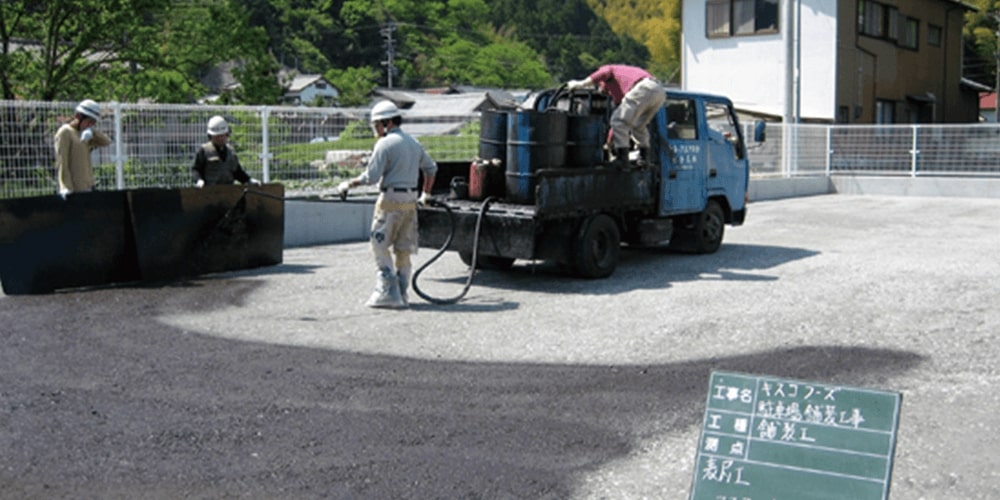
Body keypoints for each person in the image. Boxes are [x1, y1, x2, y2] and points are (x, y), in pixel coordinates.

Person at [335, 100, 438, 309]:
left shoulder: (385, 144)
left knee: (379, 244)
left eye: (378, 124)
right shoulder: (413, 142)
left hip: (390, 201)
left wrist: (349, 184)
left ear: (388, 122)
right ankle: (402, 293)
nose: (376, 129)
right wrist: (426, 193)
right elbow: (431, 168)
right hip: (410, 202)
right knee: (403, 248)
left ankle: (388, 293)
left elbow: (372, 177)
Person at [567, 64, 666, 168]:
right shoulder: (620, 84)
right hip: (658, 91)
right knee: (638, 125)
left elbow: (604, 72)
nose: (607, 93)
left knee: (619, 121)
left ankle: (622, 160)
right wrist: (609, 142)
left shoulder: (610, 71)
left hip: (643, 88)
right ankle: (644, 158)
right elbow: (619, 121)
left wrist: (580, 84)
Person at [54, 99, 112, 198]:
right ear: (78, 116)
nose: (90, 125)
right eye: (89, 122)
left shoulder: (86, 133)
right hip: (74, 190)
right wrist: (65, 187)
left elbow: (106, 142)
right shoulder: (65, 132)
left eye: (93, 123)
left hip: (88, 186)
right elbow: (62, 161)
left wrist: (92, 131)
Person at [191, 115, 261, 187]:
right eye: (217, 136)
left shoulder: (231, 152)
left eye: (222, 135)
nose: (220, 138)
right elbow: (196, 170)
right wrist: (198, 180)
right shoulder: (204, 151)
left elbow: (237, 172)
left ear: (227, 134)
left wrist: (249, 180)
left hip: (228, 192)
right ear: (210, 136)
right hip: (209, 192)